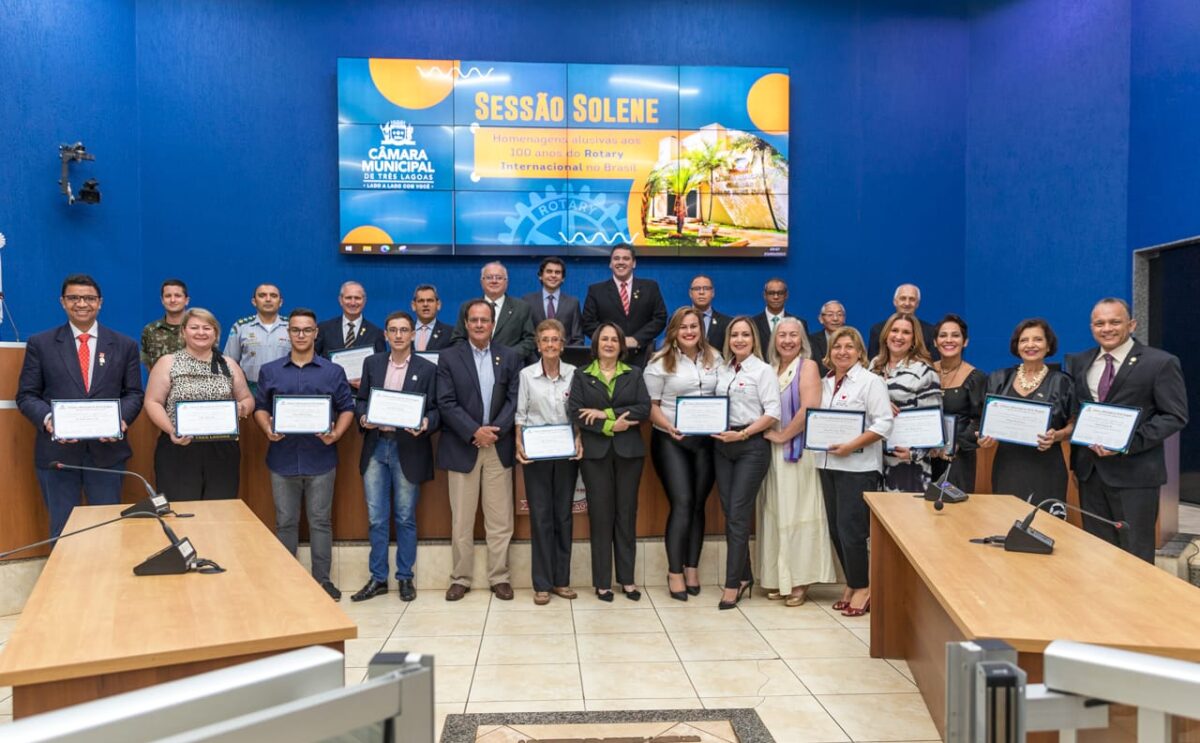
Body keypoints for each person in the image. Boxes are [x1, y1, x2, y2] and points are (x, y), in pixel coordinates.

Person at [16, 274, 144, 539]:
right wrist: (49, 419)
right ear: (63, 302)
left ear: (100, 303)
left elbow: (133, 393)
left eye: (89, 298)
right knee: (63, 530)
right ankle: (62, 583)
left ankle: (107, 581)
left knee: (107, 529)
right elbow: (27, 395)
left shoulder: (124, 345)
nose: (81, 303)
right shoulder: (41, 344)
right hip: (58, 456)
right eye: (74, 298)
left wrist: (121, 420)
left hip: (107, 454)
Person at [1065, 298, 1188, 563]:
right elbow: (1077, 410)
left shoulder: (1160, 362)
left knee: (1135, 556)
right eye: (1100, 323)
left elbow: (1175, 416)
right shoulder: (1079, 361)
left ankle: (1138, 606)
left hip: (1136, 475)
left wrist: (1126, 442)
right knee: (1096, 554)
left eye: (1115, 321)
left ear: (1131, 324)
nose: (1106, 328)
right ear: (1091, 327)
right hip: (1090, 473)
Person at [253, 308, 355, 601]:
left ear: (315, 333)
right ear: (289, 333)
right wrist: (266, 428)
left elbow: (347, 408)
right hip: (282, 458)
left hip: (321, 458)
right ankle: (286, 581)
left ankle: (322, 582)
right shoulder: (270, 371)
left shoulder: (333, 371)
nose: (301, 335)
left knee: (320, 521)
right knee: (285, 522)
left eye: (306, 330)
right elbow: (261, 406)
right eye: (296, 330)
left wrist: (336, 434)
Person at [436, 299, 524, 602]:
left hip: (497, 447)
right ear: (465, 322)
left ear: (492, 324)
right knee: (461, 520)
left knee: (500, 521)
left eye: (484, 320)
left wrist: (493, 432)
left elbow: (515, 400)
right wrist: (474, 431)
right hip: (464, 445)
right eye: (473, 319)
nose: (478, 325)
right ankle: (460, 578)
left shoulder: (510, 357)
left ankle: (500, 577)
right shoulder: (448, 357)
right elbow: (445, 402)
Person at [351, 310, 439, 602]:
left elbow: (436, 409)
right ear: (385, 335)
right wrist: (363, 418)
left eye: (404, 330)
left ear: (413, 334)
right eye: (393, 330)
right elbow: (361, 400)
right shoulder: (372, 363)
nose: (399, 335)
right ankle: (378, 578)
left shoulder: (427, 369)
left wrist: (426, 422)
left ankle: (405, 578)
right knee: (376, 518)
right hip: (377, 446)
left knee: (404, 517)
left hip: (408, 449)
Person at [568, 322, 651, 602]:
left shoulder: (634, 373)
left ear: (621, 345)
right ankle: (602, 582)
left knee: (626, 515)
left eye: (614, 339)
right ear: (596, 344)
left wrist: (605, 415)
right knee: (601, 517)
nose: (609, 344)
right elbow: (576, 412)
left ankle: (627, 580)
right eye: (604, 339)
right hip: (596, 454)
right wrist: (609, 428)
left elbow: (644, 408)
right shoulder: (582, 375)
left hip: (629, 453)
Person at [814, 327, 893, 618]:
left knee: (852, 529)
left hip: (858, 467)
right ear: (829, 352)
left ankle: (863, 587)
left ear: (860, 352)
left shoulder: (871, 382)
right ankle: (853, 581)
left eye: (849, 347)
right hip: (827, 464)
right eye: (837, 347)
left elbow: (883, 424)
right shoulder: (824, 383)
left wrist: (851, 446)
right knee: (836, 528)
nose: (843, 352)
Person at [759, 318, 836, 606]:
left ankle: (801, 580)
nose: (788, 340)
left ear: (802, 338)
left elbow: (809, 409)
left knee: (798, 513)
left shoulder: (808, 366)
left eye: (794, 335)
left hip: (797, 451)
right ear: (774, 339)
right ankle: (782, 577)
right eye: (782, 335)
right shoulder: (769, 369)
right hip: (772, 454)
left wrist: (783, 436)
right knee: (777, 512)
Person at [644, 307, 721, 600]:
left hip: (706, 442)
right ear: (673, 331)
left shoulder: (716, 358)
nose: (689, 332)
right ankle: (674, 571)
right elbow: (650, 406)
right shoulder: (659, 362)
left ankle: (692, 568)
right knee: (683, 503)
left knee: (699, 504)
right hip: (670, 440)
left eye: (694, 327)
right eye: (683, 327)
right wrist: (669, 426)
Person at [142, 308, 254, 501]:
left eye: (207, 328)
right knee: (181, 510)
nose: (201, 332)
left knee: (220, 511)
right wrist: (172, 430)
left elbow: (247, 399)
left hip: (222, 449)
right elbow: (153, 402)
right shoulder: (168, 362)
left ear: (216, 333)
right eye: (194, 327)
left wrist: (242, 408)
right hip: (179, 446)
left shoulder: (229, 364)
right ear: (183, 332)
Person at [711, 316, 780, 609]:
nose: (739, 340)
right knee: (730, 511)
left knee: (738, 513)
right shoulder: (721, 369)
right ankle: (745, 575)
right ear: (728, 340)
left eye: (745, 335)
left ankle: (731, 585)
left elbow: (773, 412)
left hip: (751, 446)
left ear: (754, 340)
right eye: (734, 335)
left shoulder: (763, 371)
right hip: (722, 446)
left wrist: (743, 434)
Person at [515, 319, 582, 605]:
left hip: (566, 454)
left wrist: (579, 439)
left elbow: (578, 413)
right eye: (546, 340)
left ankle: (561, 581)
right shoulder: (526, 375)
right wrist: (518, 443)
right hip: (537, 455)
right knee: (541, 517)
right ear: (538, 344)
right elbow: (520, 415)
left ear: (563, 344)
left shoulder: (575, 374)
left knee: (563, 516)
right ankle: (541, 583)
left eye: (556, 339)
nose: (551, 345)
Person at [977, 318, 1074, 506]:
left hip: (1047, 468)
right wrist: (983, 437)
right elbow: (985, 422)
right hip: (1007, 466)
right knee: (1006, 523)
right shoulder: (998, 379)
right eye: (1024, 340)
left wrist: (1058, 435)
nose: (1030, 345)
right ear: (1017, 346)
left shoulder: (1062, 382)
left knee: (1047, 528)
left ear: (1048, 346)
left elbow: (1074, 423)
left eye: (1037, 339)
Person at [870, 313, 942, 492]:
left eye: (906, 332)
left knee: (906, 518)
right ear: (886, 334)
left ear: (914, 339)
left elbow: (934, 423)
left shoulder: (924, 372)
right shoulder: (873, 366)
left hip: (906, 463)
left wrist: (914, 453)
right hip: (872, 458)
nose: (899, 336)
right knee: (875, 518)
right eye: (894, 330)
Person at [581, 245, 667, 368]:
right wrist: (613, 340)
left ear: (634, 263)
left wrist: (636, 339)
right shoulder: (596, 290)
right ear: (610, 263)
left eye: (626, 258)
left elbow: (660, 318)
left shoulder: (650, 287)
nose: (621, 262)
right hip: (608, 357)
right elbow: (588, 323)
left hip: (641, 356)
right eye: (616, 258)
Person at [930, 314, 986, 493]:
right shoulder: (925, 371)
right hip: (924, 457)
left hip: (957, 458)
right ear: (935, 342)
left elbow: (980, 420)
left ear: (965, 341)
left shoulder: (976, 377)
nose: (949, 340)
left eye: (955, 335)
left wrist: (957, 444)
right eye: (943, 335)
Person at [452, 262, 536, 360]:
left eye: (499, 278)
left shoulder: (521, 307)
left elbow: (530, 340)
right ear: (481, 281)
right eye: (489, 277)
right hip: (473, 366)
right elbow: (458, 339)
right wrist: (473, 355)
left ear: (506, 282)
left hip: (510, 366)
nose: (494, 281)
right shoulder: (468, 307)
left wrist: (508, 355)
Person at [224, 283, 290, 388]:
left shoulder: (291, 327)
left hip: (285, 388)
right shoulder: (241, 327)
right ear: (254, 302)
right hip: (251, 389)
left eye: (273, 296)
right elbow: (228, 363)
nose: (268, 299)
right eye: (262, 295)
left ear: (280, 302)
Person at [314, 280, 386, 366]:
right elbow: (313, 358)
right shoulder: (324, 329)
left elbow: (380, 365)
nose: (353, 303)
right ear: (340, 300)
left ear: (364, 301)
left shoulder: (376, 333)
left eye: (357, 298)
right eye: (348, 298)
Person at [522, 257, 584, 346]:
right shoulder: (527, 301)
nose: (553, 275)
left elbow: (578, 338)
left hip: (565, 357)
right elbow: (525, 337)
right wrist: (535, 360)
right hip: (534, 358)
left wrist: (564, 359)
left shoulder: (573, 303)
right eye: (549, 271)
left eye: (557, 272)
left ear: (563, 278)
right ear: (540, 276)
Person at [867, 283, 937, 361]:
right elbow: (872, 363)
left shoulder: (931, 331)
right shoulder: (878, 329)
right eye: (903, 298)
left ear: (917, 304)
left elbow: (934, 362)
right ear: (895, 302)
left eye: (912, 299)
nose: (907, 303)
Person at [140, 278, 189, 370]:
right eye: (168, 296)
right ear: (162, 300)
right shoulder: (150, 330)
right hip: (159, 383)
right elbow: (147, 362)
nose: (172, 300)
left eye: (178, 296)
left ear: (186, 300)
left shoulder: (197, 330)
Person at [751, 277, 806, 349]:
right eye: (771, 293)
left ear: (786, 295)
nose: (776, 297)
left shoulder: (799, 323)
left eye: (780, 293)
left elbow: (804, 350)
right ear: (765, 295)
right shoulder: (753, 323)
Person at [687, 274, 732, 351]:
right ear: (690, 293)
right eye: (697, 288)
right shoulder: (678, 320)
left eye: (706, 288)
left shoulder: (727, 323)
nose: (701, 292)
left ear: (713, 293)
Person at [411, 284, 454, 352]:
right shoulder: (404, 331)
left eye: (430, 300)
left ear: (438, 305)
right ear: (413, 305)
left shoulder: (451, 333)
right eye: (421, 301)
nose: (425, 304)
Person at [808, 300, 846, 376]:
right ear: (821, 319)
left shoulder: (853, 340)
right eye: (830, 315)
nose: (835, 318)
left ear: (844, 318)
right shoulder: (811, 341)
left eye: (839, 314)